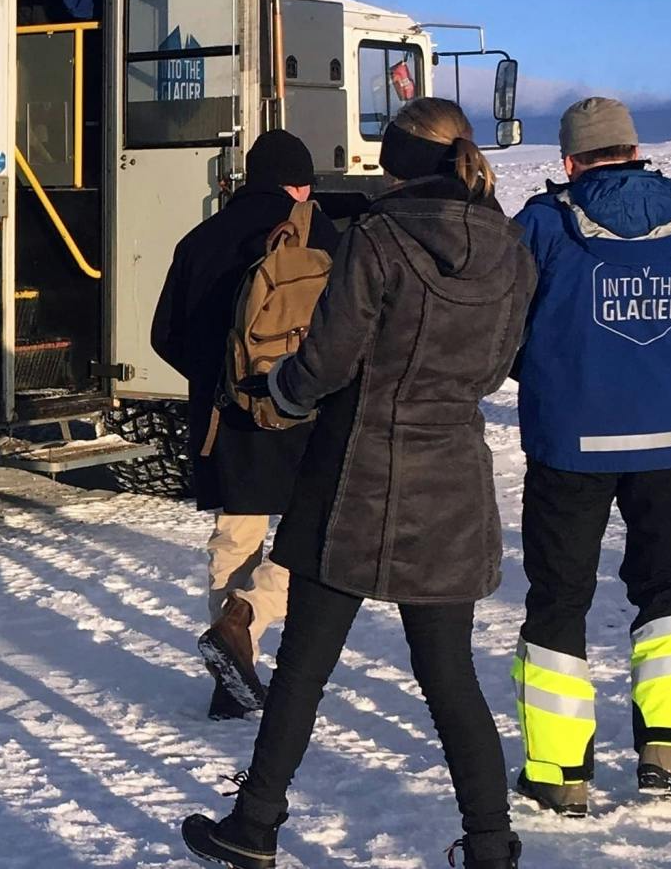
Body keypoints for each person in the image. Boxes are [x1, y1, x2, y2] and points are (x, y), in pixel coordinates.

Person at [181, 99, 537, 869]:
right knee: (450, 677)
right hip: (451, 481)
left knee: (305, 666)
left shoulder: (378, 237)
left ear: (395, 160)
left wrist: (281, 390)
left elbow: (328, 362)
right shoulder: (511, 245)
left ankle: (255, 826)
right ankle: (489, 844)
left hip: (354, 477)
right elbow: (506, 359)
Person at [510, 96, 671, 814]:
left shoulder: (543, 223)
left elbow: (507, 320)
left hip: (572, 440)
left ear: (569, 160)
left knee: (560, 597)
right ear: (634, 147)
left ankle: (560, 773)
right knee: (668, 589)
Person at [149, 128, 339, 720]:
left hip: (226, 423)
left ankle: (232, 675)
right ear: (299, 183)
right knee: (312, 535)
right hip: (307, 415)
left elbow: (165, 335)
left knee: (235, 541)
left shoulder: (199, 239)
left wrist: (219, 381)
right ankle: (250, 613)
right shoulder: (322, 235)